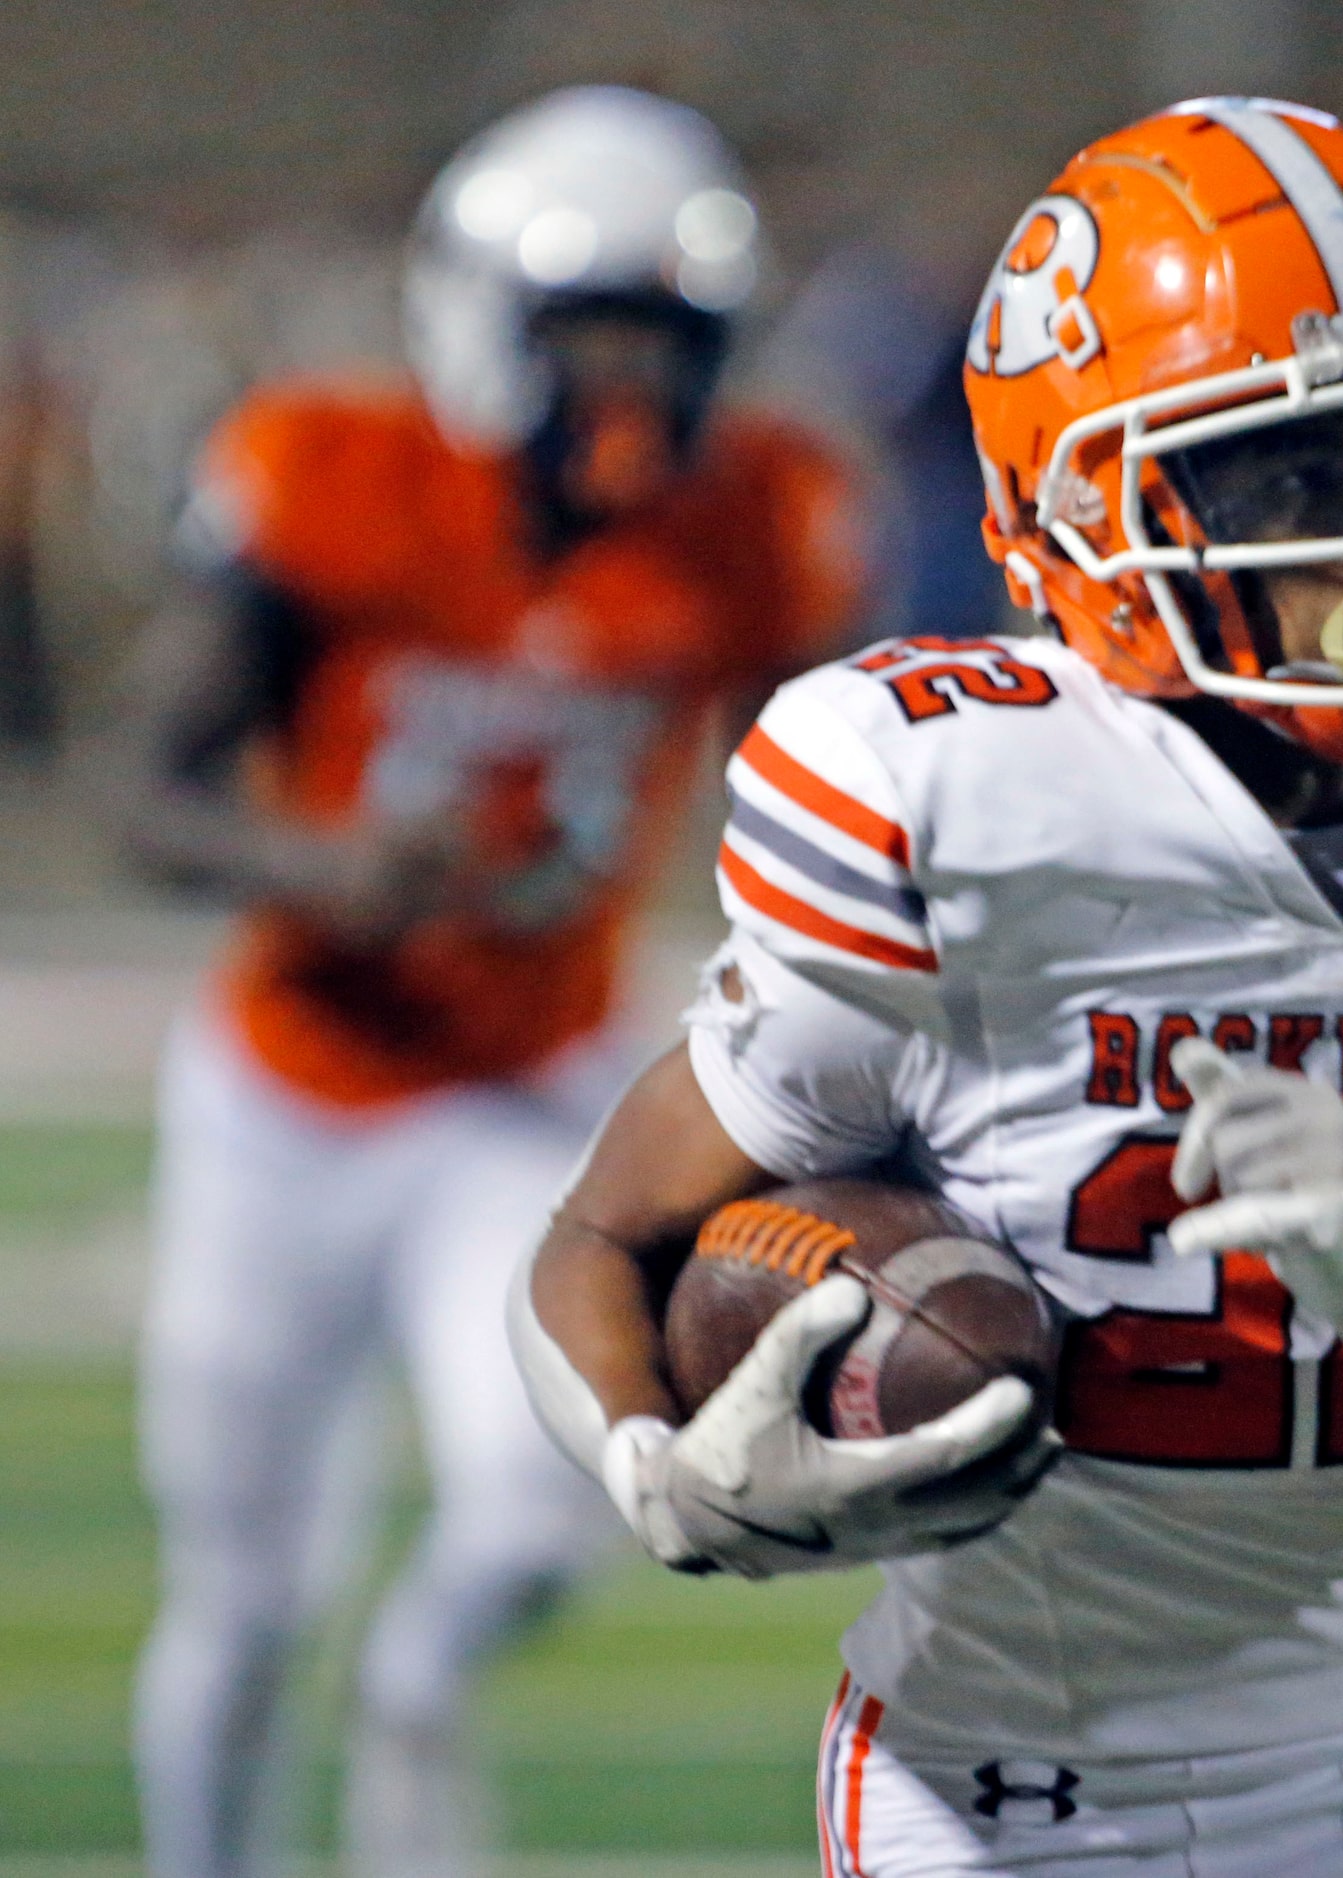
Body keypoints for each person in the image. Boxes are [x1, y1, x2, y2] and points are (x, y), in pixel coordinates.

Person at [512, 97, 1343, 1877]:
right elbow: (598, 1239)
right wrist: (663, 1468)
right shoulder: (948, 801)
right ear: (1076, 513)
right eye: (1290, 477)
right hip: (1003, 1794)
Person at [112, 85, 865, 1878]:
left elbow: (830, 793)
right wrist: (320, 866)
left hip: (524, 1090)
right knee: (239, 1590)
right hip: (293, 1092)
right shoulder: (329, 471)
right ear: (481, 319)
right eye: (588, 333)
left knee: (558, 1501)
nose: (627, 386)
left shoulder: (753, 505)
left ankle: (420, 1674)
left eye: (663, 341)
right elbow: (141, 787)